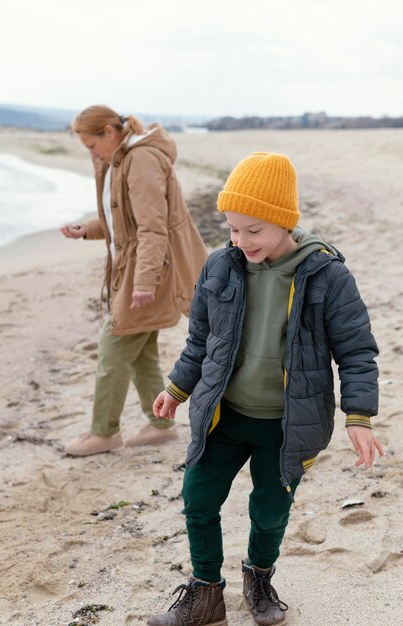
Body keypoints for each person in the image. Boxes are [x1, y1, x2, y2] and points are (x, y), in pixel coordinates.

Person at [148, 152, 384, 626]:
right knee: (197, 498)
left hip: (286, 424)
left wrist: (358, 417)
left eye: (253, 230)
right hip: (223, 413)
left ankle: (258, 579)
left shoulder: (327, 275)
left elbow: (357, 351)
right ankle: (205, 591)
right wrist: (177, 388)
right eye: (233, 229)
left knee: (270, 511)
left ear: (283, 222)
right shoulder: (221, 267)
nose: (240, 241)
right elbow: (201, 339)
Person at [60, 105, 207, 457]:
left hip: (154, 269)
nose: (91, 153)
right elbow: (122, 224)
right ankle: (160, 425)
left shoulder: (140, 160)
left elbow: (152, 228)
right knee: (141, 352)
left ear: (110, 133)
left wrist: (145, 282)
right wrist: (88, 230)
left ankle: (104, 433)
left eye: (92, 145)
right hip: (141, 267)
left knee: (113, 346)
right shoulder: (121, 160)